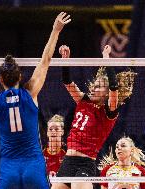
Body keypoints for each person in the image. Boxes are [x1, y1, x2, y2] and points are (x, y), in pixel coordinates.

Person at [0, 12, 71, 189]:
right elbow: (46, 60)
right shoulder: (30, 92)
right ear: (21, 76)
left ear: (0, 80)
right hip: (33, 163)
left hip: (9, 166)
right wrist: (56, 30)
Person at [51, 45, 137, 189]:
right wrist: (65, 61)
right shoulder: (82, 101)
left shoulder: (109, 112)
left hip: (85, 164)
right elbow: (67, 81)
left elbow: (114, 88)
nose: (93, 88)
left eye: (99, 87)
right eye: (94, 85)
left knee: (79, 186)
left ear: (106, 93)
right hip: (67, 162)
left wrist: (106, 58)